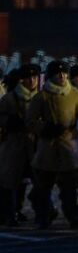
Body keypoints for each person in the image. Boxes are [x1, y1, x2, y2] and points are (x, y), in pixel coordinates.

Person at [28, 61, 78, 230]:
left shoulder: (75, 94)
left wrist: (74, 131)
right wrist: (45, 128)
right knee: (43, 187)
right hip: (48, 148)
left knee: (69, 187)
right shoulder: (42, 96)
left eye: (64, 73)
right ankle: (43, 215)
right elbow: (31, 120)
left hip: (69, 148)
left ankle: (73, 215)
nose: (62, 76)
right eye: (58, 73)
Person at [0, 63, 38, 226]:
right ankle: (10, 213)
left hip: (34, 144)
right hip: (14, 144)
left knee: (38, 180)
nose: (31, 81)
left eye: (34, 77)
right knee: (11, 180)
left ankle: (40, 211)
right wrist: (9, 122)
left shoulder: (40, 97)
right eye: (28, 78)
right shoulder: (9, 98)